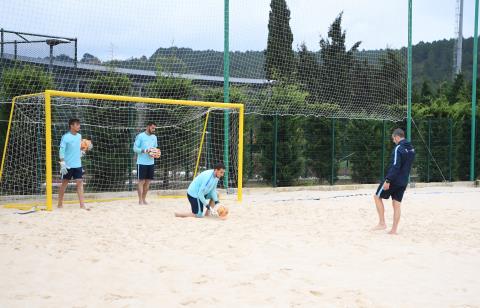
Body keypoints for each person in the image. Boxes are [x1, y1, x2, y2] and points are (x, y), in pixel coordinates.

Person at [373, 128, 415, 234]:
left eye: (393, 139)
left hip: (394, 179)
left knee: (377, 197)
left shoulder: (398, 148)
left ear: (397, 137)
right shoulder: (411, 149)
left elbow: (396, 166)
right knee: (397, 204)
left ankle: (382, 223)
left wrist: (388, 180)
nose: (393, 141)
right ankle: (394, 230)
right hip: (404, 181)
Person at [57, 118, 92, 210]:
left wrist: (84, 150)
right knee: (64, 183)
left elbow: (78, 148)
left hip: (77, 164)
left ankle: (82, 205)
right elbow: (61, 150)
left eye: (79, 124)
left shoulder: (79, 136)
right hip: (67, 165)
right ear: (71, 126)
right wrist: (62, 162)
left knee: (80, 183)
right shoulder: (65, 137)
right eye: (77, 124)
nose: (79, 126)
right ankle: (60, 204)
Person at [133, 122, 159, 205]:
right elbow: (135, 148)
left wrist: (156, 153)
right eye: (152, 128)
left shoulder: (154, 137)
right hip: (141, 163)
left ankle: (144, 199)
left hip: (151, 163)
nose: (154, 130)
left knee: (148, 182)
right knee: (141, 182)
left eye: (155, 128)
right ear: (148, 127)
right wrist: (144, 151)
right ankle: (140, 200)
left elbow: (155, 148)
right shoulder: (140, 136)